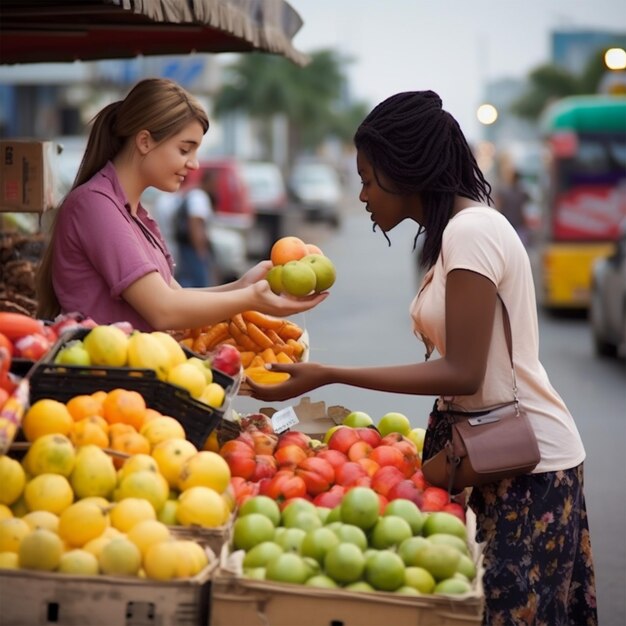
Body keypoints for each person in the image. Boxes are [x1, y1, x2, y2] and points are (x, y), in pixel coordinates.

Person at [248, 91, 597, 624]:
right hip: (484, 460)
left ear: (403, 169)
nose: (361, 194)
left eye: (367, 177)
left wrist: (329, 374)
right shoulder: (453, 234)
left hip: (526, 471)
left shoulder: (472, 232)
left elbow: (463, 370)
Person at [36, 78, 326, 331]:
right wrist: (251, 299)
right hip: (103, 385)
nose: (195, 163)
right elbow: (163, 311)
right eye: (184, 149)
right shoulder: (95, 206)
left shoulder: (134, 213)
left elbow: (176, 297)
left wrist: (244, 286)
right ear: (145, 142)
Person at [171, 169, 217, 288]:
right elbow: (195, 223)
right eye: (214, 183)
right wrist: (200, 250)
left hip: (187, 246)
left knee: (187, 280)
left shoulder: (194, 194)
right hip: (192, 248)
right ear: (207, 181)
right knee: (197, 284)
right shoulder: (199, 197)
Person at [495, 169, 531, 246]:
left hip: (507, 223)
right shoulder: (522, 193)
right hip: (519, 224)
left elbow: (499, 207)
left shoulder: (504, 192)